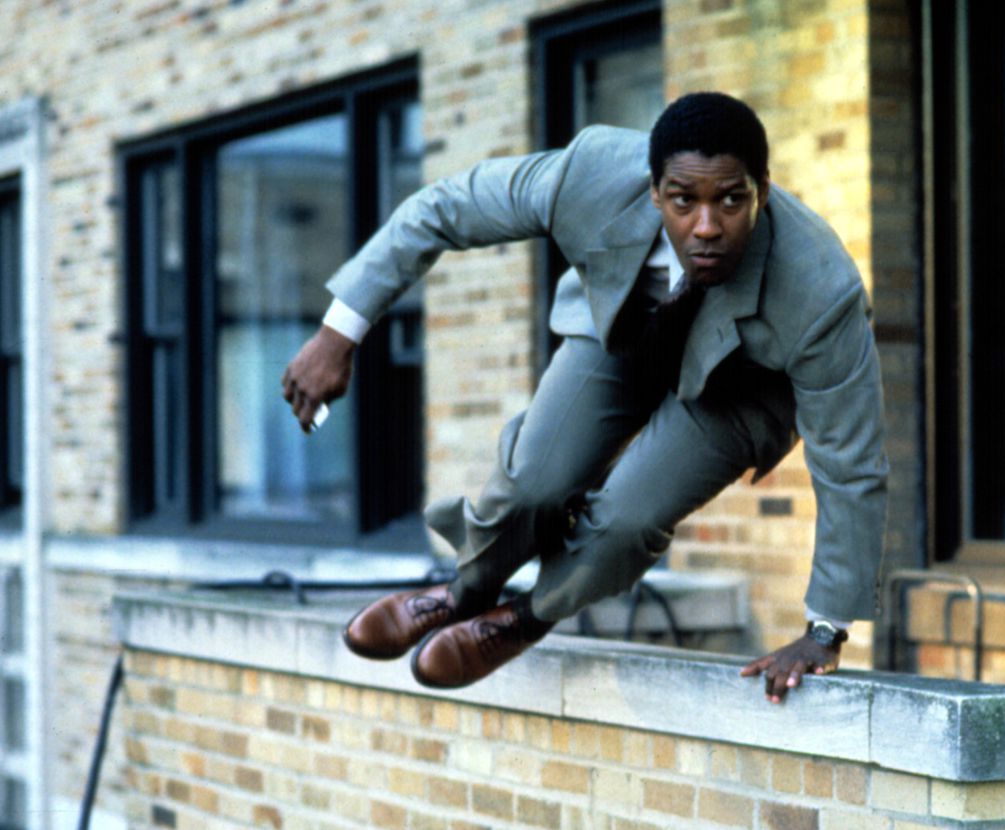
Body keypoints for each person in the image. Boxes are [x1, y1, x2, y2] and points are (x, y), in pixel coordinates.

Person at [281, 92, 887, 703]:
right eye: (684, 200)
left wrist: (825, 631)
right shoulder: (591, 172)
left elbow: (850, 464)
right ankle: (462, 593)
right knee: (532, 482)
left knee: (625, 518)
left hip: (743, 386)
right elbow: (446, 207)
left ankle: (526, 618)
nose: (707, 226)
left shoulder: (821, 291)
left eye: (732, 200)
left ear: (762, 188)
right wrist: (340, 332)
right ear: (653, 191)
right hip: (622, 331)